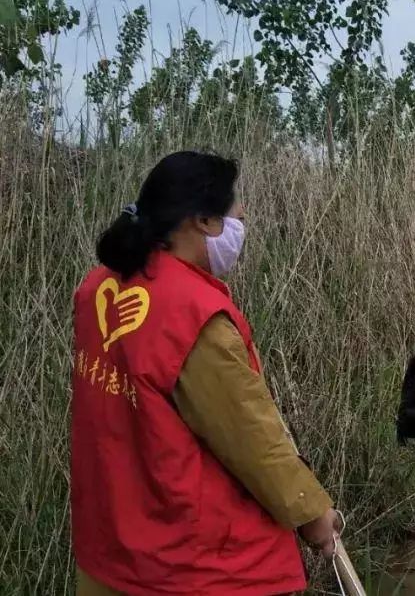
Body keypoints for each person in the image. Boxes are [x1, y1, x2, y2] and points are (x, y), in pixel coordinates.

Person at [71, 151, 339, 596]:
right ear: (203, 222)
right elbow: (252, 438)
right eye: (235, 210)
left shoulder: (96, 286)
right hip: (193, 567)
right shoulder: (192, 315)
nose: (241, 218)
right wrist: (313, 515)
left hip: (109, 554)